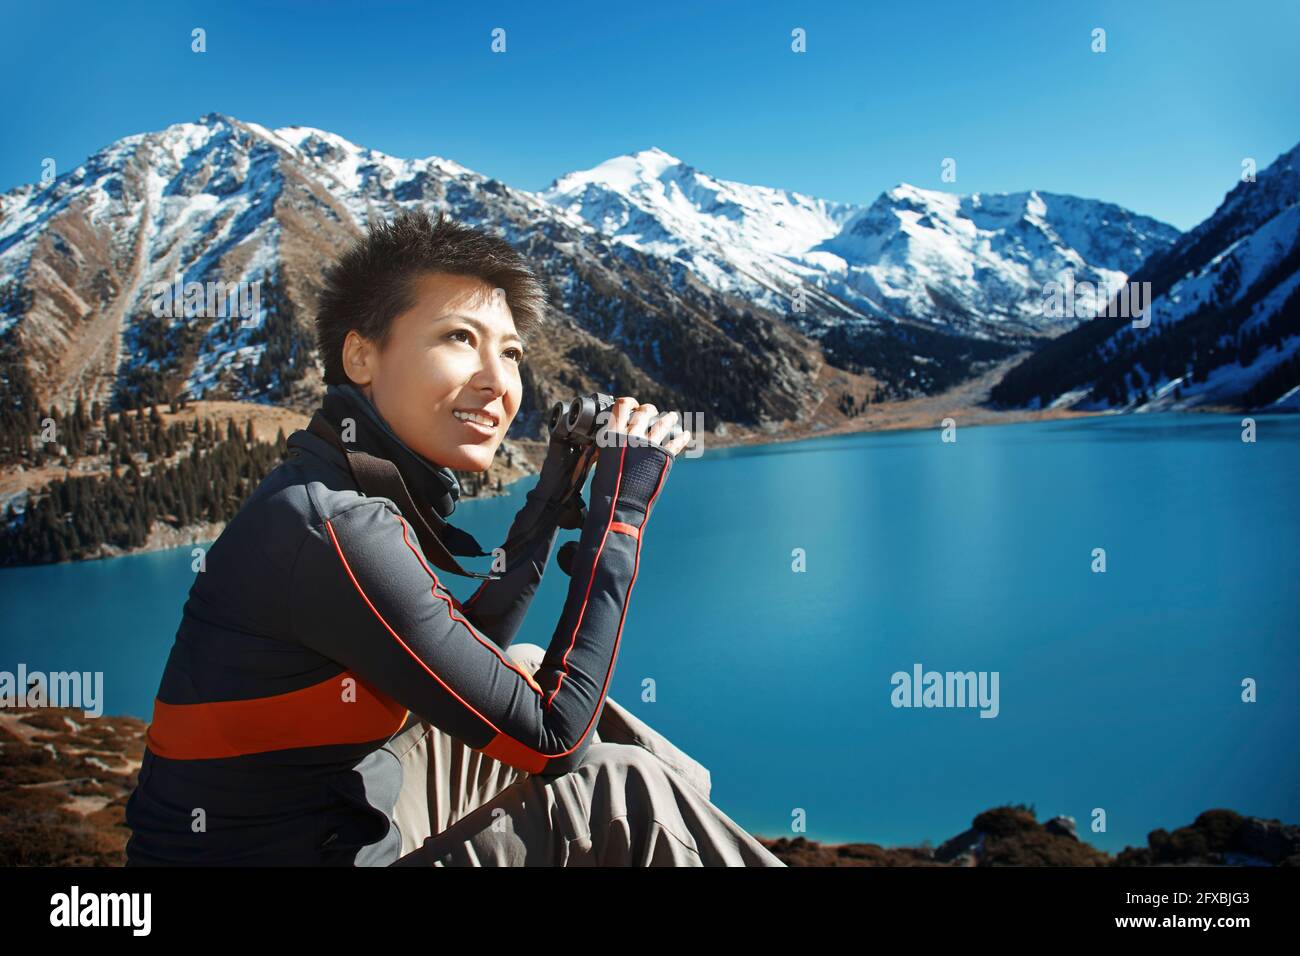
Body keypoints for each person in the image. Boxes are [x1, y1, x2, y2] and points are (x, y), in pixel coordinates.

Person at [123, 208, 785, 867]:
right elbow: (552, 740)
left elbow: (457, 651)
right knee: (621, 792)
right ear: (361, 355)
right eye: (460, 338)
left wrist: (553, 490)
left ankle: (697, 830)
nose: (498, 382)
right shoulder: (335, 527)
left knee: (523, 665)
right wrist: (622, 516)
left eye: (511, 351)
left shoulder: (329, 484)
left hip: (337, 815)